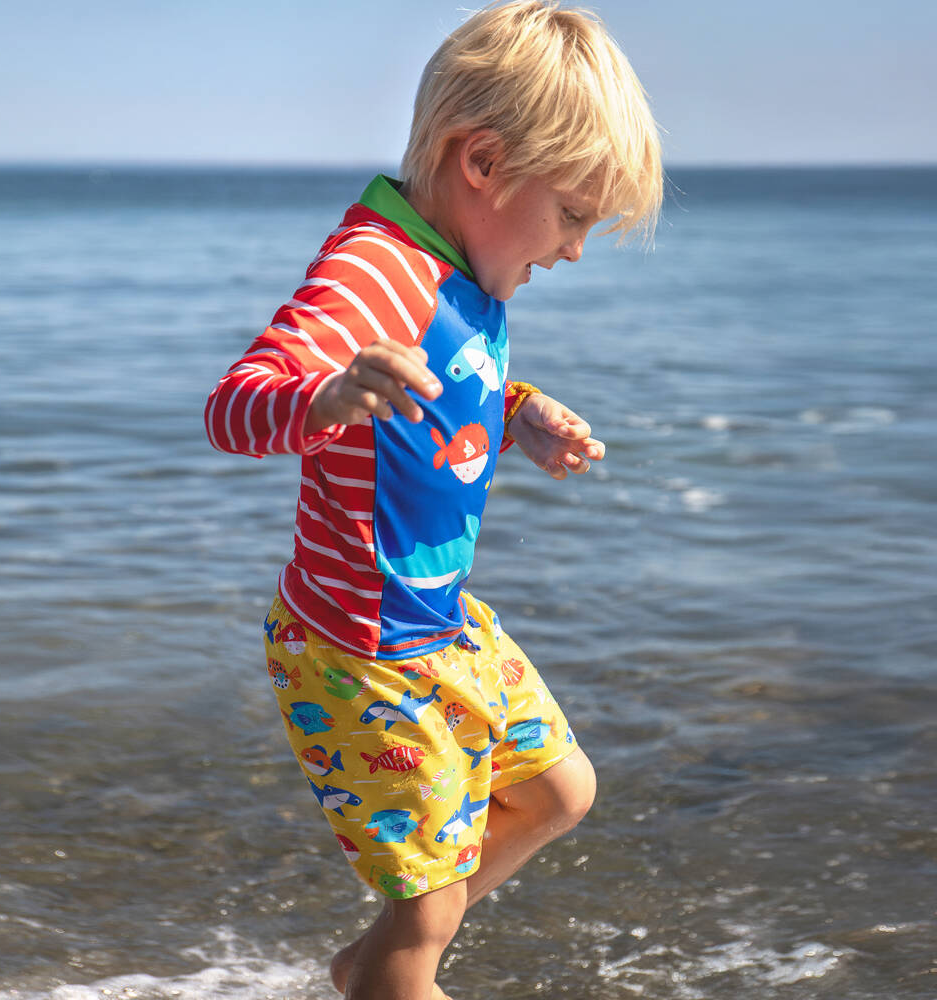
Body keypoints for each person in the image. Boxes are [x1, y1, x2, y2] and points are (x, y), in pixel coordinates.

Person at [204, 2, 662, 996]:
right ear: (483, 162)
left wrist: (518, 411)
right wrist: (325, 397)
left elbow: (444, 386)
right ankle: (393, 972)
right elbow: (234, 406)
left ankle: (370, 968)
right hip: (358, 651)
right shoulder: (375, 268)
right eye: (572, 215)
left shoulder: (457, 266)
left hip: (437, 621)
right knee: (429, 906)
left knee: (559, 792)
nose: (575, 250)